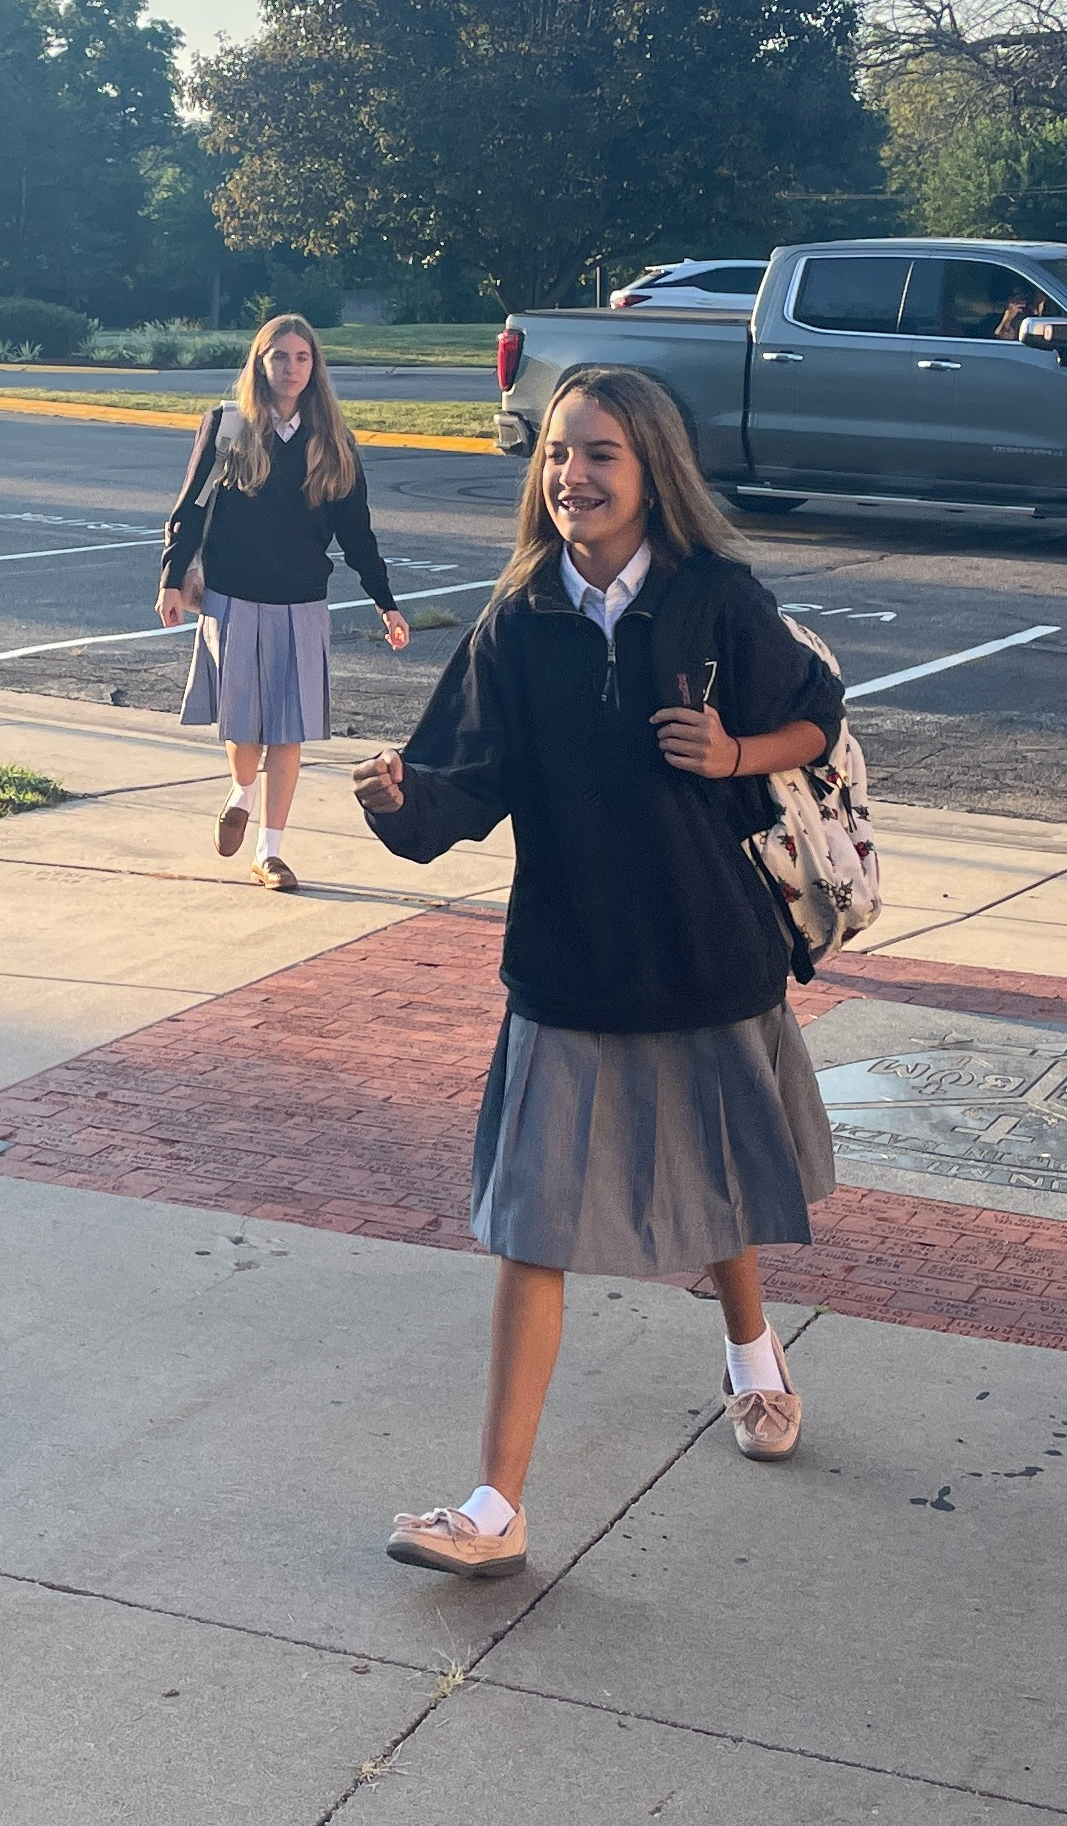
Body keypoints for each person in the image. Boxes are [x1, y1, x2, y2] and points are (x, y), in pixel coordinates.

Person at [350, 363, 844, 1579]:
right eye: (558, 453)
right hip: (569, 962)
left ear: (652, 470)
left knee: (719, 1190)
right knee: (533, 1225)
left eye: (600, 453)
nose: (572, 474)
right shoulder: (520, 619)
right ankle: (495, 1507)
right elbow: (466, 786)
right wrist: (399, 802)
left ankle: (751, 1355)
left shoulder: (717, 600)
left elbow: (818, 715)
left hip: (704, 951)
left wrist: (734, 752)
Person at [156, 313, 407, 889]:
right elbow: (189, 509)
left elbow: (357, 532)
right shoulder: (228, 427)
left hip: (302, 601)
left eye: (301, 358)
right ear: (260, 362)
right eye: (279, 357)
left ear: (314, 366)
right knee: (243, 731)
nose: (290, 368)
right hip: (233, 596)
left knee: (287, 731)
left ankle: (270, 852)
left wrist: (384, 602)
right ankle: (241, 790)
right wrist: (172, 580)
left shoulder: (334, 441)